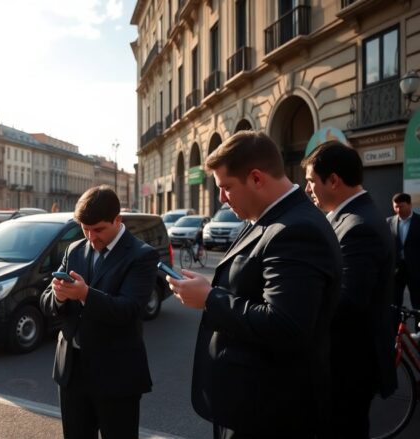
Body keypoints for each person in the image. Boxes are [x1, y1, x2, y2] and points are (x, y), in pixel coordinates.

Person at [167, 131, 342, 438]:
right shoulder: (268, 218)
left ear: (257, 178)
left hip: (270, 412)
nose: (221, 199)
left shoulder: (296, 229)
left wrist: (209, 298)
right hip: (250, 402)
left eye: (226, 187)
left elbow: (286, 325)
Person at [40, 185, 158, 438]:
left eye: (99, 230)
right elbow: (47, 302)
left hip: (116, 375)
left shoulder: (141, 255)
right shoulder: (74, 250)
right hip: (72, 372)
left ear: (117, 220)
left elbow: (129, 310)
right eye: (85, 229)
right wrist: (59, 296)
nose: (91, 237)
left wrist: (85, 294)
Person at [302, 141, 397, 438]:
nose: (307, 189)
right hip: (347, 362)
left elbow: (346, 303)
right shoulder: (353, 217)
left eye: (311, 181)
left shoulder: (358, 226)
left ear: (333, 180)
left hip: (348, 365)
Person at [388, 192, 420, 333]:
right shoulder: (389, 222)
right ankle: (395, 335)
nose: (398, 210)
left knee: (418, 304)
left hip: (416, 270)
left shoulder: (418, 222)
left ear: (410, 205)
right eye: (395, 207)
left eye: (401, 206)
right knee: (394, 304)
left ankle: (419, 333)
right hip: (397, 271)